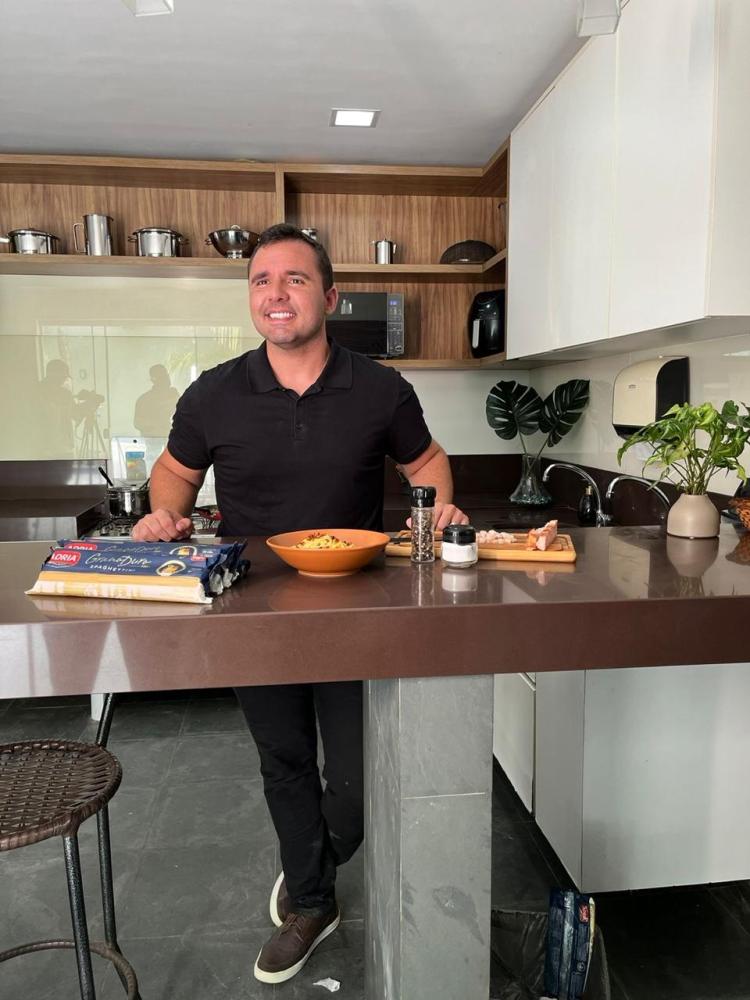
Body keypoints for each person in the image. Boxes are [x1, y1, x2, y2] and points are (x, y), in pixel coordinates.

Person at [131, 224, 468, 985]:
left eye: (295, 279)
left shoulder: (380, 388)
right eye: (262, 280)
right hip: (254, 611)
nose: (276, 293)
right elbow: (174, 472)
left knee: (356, 778)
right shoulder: (214, 392)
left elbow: (427, 461)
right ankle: (312, 902)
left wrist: (436, 511)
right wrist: (165, 515)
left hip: (357, 609)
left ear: (330, 296)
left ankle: (315, 855)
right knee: (283, 761)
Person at [133, 363, 180, 436]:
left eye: (166, 375)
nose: (167, 378)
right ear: (154, 380)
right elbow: (137, 423)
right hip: (153, 439)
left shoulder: (173, 395)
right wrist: (154, 425)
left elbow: (181, 414)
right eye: (162, 376)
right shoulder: (144, 400)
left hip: (169, 438)